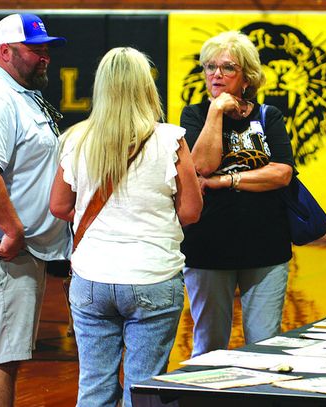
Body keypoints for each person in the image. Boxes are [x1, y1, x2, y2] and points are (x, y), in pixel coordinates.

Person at [49, 47, 202, 407]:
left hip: (91, 278)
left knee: (94, 388)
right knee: (144, 391)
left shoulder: (76, 138)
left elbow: (58, 206)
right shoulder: (170, 139)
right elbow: (192, 211)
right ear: (146, 87)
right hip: (152, 276)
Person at [180, 31, 295, 357]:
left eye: (227, 67)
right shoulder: (195, 115)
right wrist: (216, 112)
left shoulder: (267, 116)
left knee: (265, 346)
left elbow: (281, 173)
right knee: (209, 345)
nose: (216, 74)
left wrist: (225, 182)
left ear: (247, 77)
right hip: (207, 248)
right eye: (210, 67)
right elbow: (201, 166)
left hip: (266, 247)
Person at [0, 13, 72, 407]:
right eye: (34, 49)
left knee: (5, 355)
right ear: (5, 51)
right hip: (8, 253)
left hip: (25, 252)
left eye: (47, 49)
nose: (44, 56)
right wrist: (13, 230)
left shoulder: (21, 93)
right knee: (1, 359)